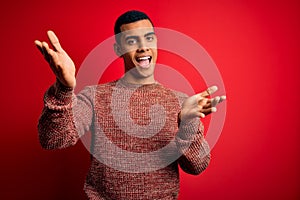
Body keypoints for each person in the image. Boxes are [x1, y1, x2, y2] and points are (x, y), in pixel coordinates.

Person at [35, 10, 225, 200]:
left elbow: (197, 166)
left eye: (149, 38)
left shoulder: (183, 103)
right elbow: (53, 139)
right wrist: (63, 88)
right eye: (132, 41)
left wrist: (188, 123)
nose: (143, 47)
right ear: (118, 49)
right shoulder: (94, 97)